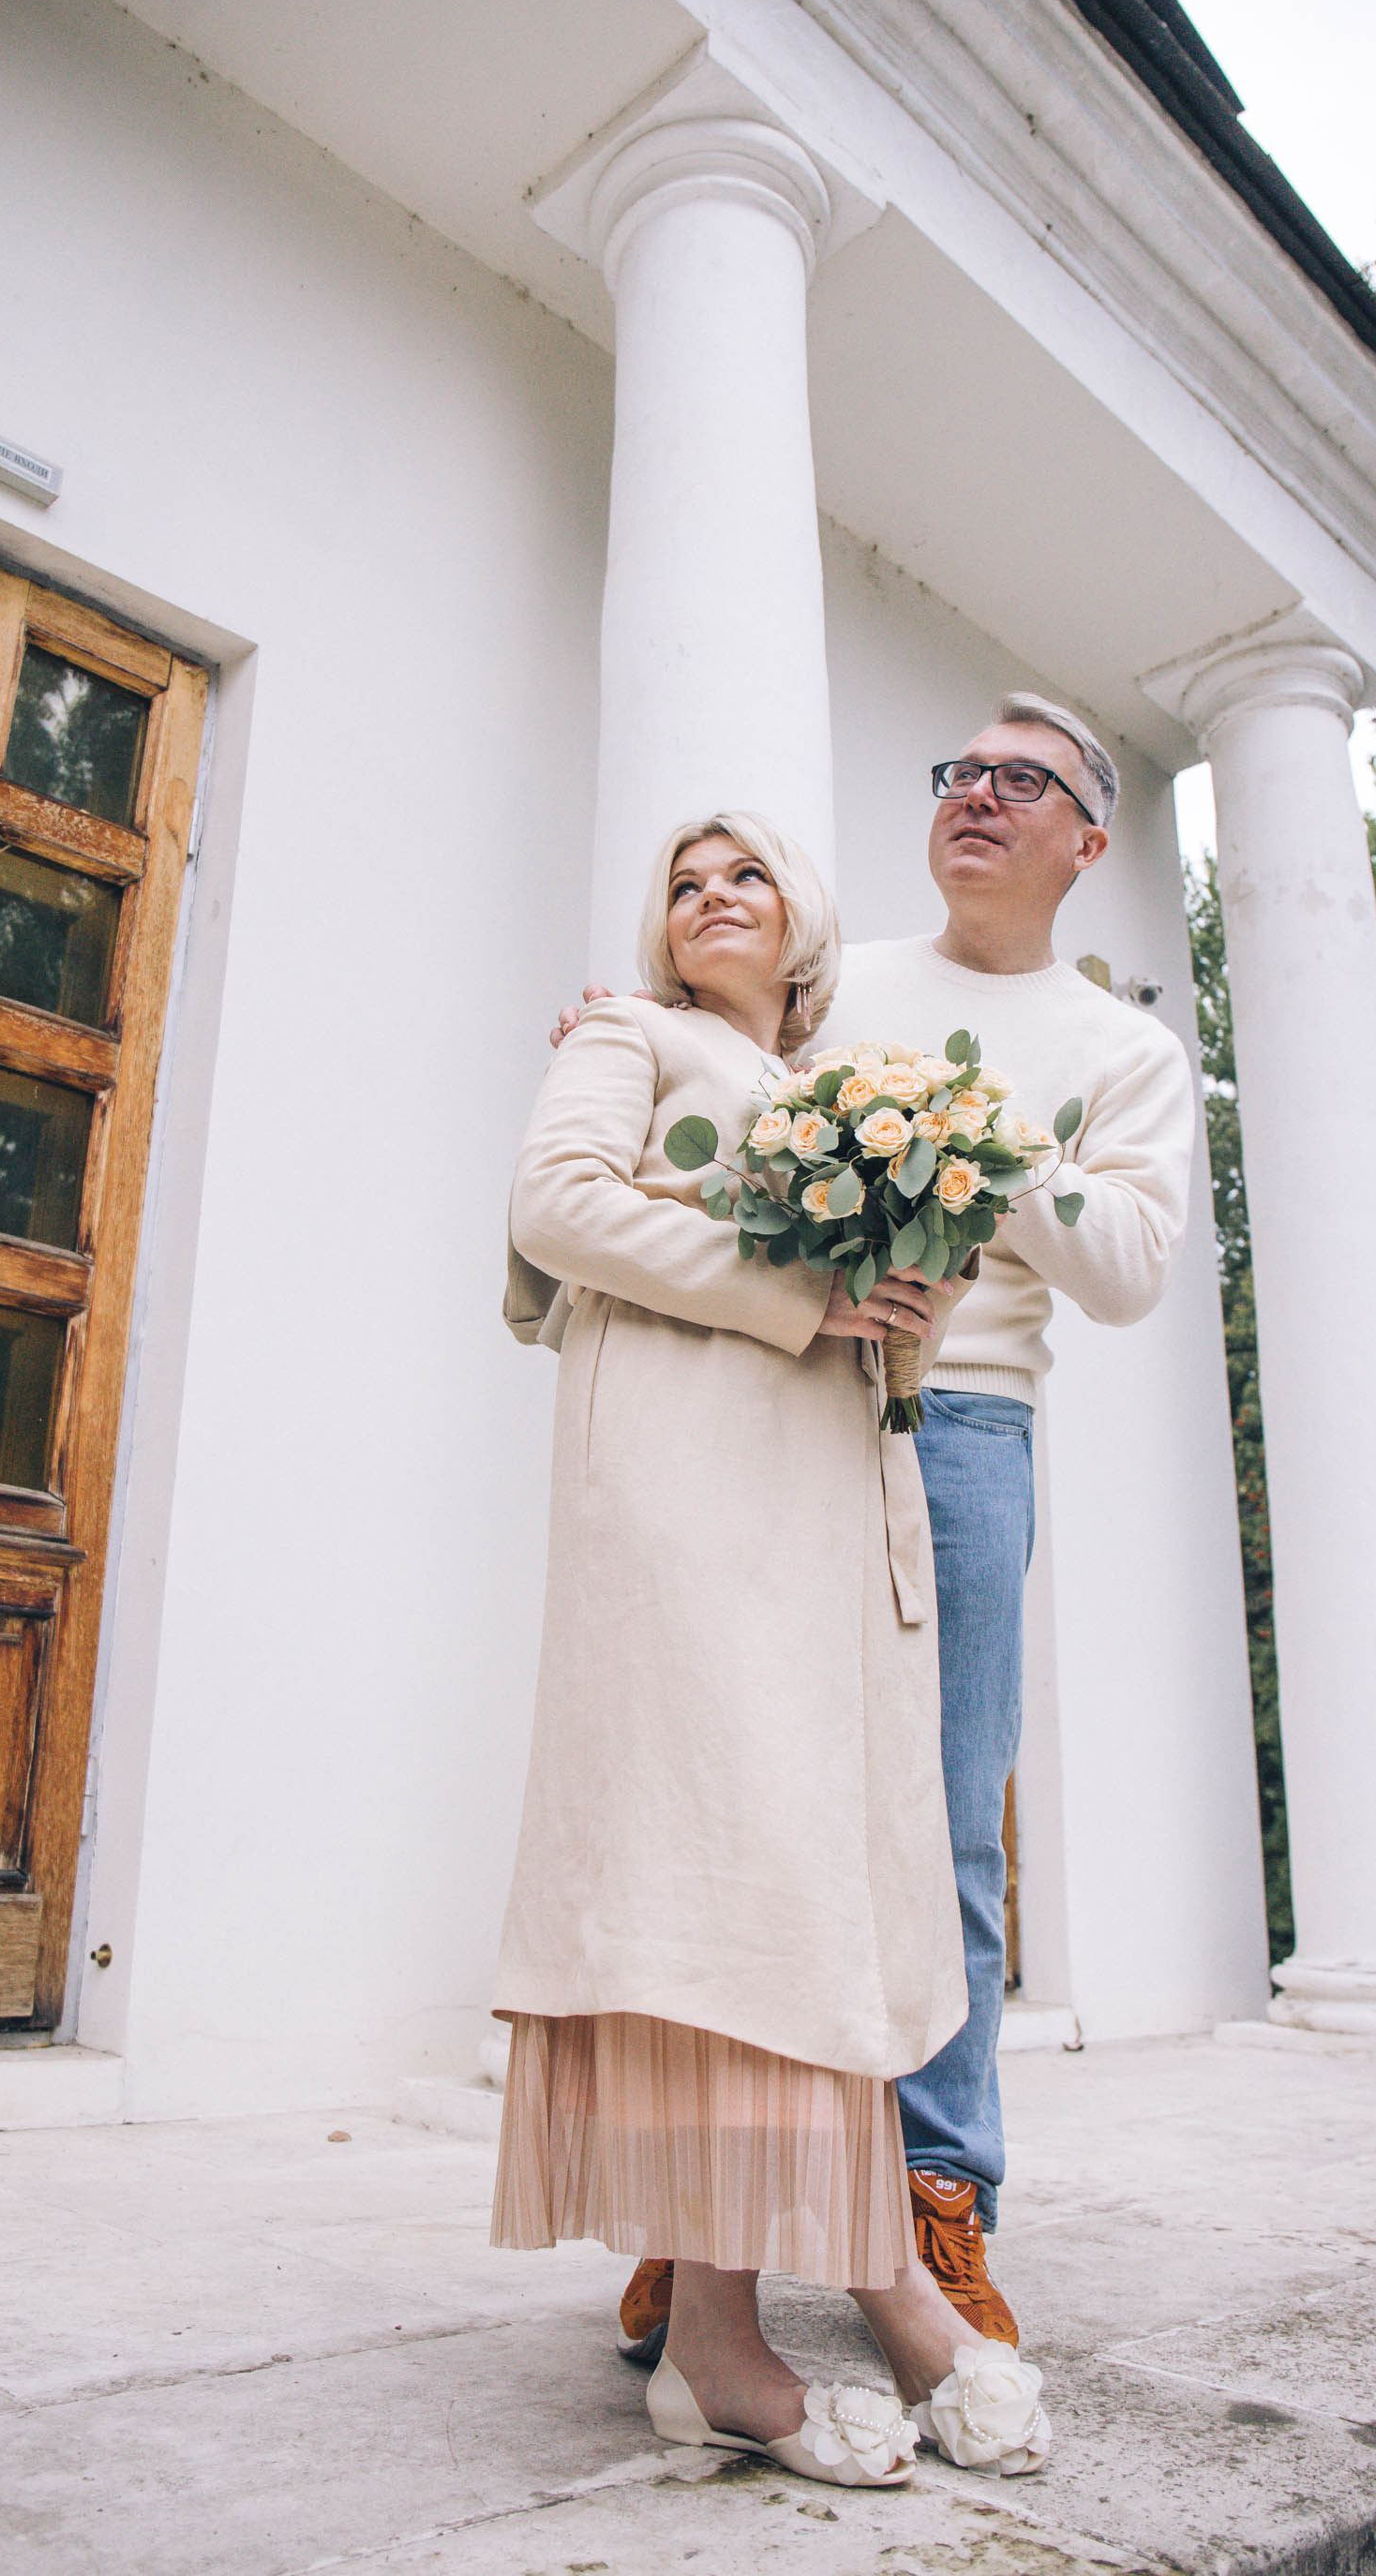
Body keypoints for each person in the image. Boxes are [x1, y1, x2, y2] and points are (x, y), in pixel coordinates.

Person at [545, 698, 1196, 2358]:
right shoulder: (837, 993)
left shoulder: (1124, 1051)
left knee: (942, 1824)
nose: (979, 795)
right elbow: (714, 1092)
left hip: (963, 1431)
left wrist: (978, 1145)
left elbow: (1129, 1273)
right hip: (784, 1404)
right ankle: (709, 2218)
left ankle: (935, 2192)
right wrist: (622, 1033)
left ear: (1087, 840)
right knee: (751, 1811)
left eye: (1023, 781)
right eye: (960, 771)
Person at [494, 811, 1052, 2489]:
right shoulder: (628, 1034)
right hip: (681, 1504)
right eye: (685, 882)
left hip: (817, 1514)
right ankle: (726, 2341)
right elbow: (554, 1211)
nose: (710, 897)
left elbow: (872, 1320)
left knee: (812, 1884)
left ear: (802, 923)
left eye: (744, 876)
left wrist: (905, 1306)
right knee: (719, 1873)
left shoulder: (843, 1097)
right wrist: (795, 1295)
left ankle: (838, 2297)